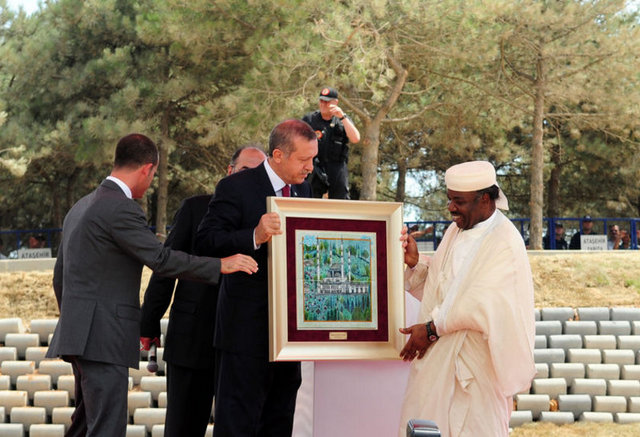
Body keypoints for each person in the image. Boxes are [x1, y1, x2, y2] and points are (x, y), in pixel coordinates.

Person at [45, 133, 258, 437]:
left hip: (79, 335)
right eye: (154, 174)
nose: (151, 182)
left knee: (84, 425)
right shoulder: (120, 207)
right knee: (106, 428)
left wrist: (76, 320)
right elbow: (160, 258)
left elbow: (60, 276)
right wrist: (220, 264)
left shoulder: (82, 205)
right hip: (103, 337)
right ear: (147, 169)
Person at [196, 119, 316, 437]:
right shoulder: (235, 187)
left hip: (288, 336)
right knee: (237, 426)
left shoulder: (305, 189)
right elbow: (205, 241)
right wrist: (254, 235)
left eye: (313, 159)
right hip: (244, 334)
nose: (310, 167)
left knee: (279, 422)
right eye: (304, 159)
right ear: (278, 155)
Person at [397, 161, 535, 437]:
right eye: (449, 199)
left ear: (484, 199)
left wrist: (430, 330)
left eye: (458, 201)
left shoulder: (505, 242)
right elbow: (444, 291)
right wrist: (416, 263)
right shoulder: (455, 230)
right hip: (437, 365)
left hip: (476, 371)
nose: (451, 208)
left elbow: (479, 304)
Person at [139, 145, 267, 437]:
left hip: (244, 346)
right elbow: (166, 268)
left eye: (258, 174)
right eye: (245, 171)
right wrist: (148, 323)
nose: (250, 179)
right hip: (192, 340)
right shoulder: (196, 207)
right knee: (183, 428)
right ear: (229, 171)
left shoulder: (269, 220)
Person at [302, 86, 360, 199]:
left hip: (337, 167)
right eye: (321, 101)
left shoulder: (343, 120)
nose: (323, 104)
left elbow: (356, 138)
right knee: (309, 198)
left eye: (327, 102)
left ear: (335, 103)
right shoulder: (310, 119)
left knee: (340, 200)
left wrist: (342, 117)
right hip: (315, 166)